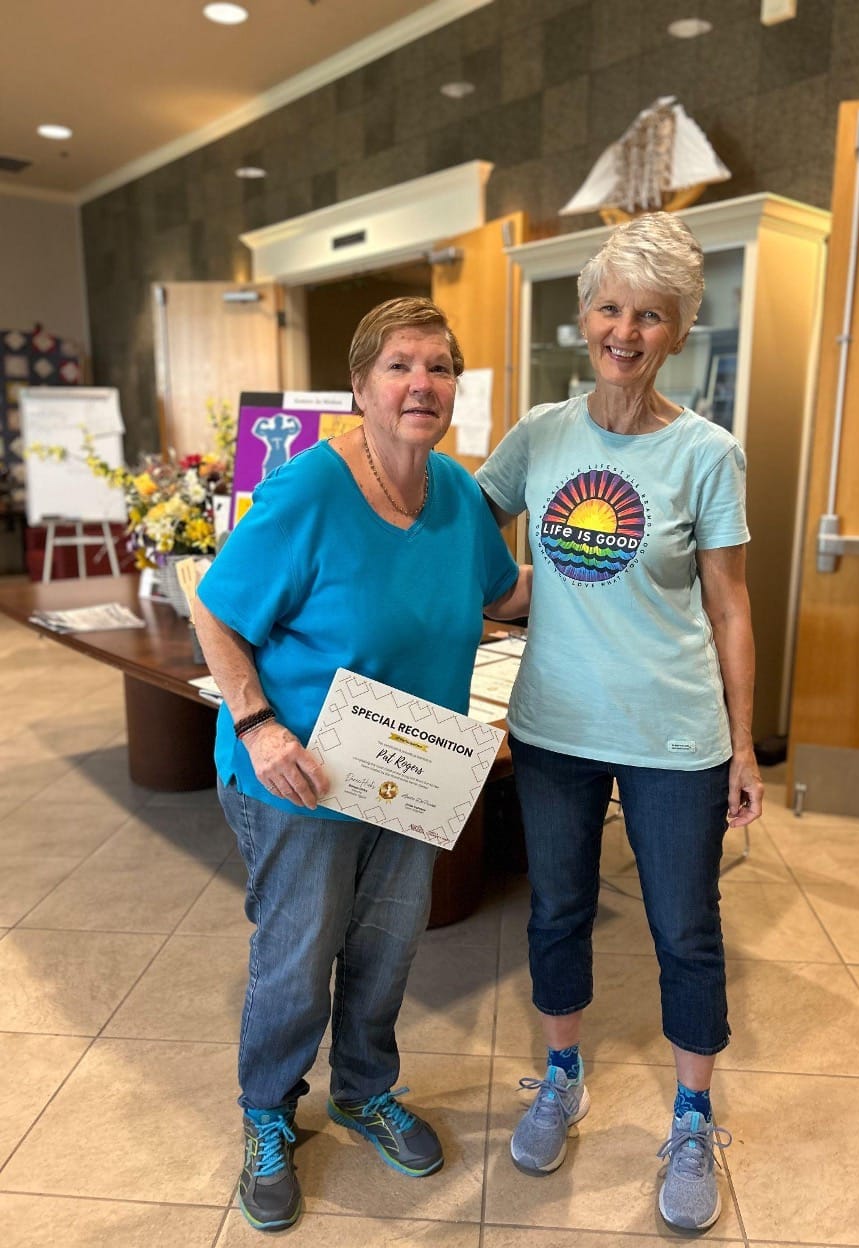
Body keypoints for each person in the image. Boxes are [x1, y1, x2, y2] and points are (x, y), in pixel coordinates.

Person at [193, 296, 529, 1234]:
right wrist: (259, 726)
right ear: (360, 387)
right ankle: (268, 1112)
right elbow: (216, 610)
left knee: (386, 947)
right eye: (399, 365)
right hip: (301, 772)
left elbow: (507, 596)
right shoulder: (308, 491)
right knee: (298, 956)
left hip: (409, 773)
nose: (421, 384)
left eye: (439, 367)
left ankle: (364, 1089)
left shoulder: (458, 493)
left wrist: (609, 572)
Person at [476, 213, 763, 1231]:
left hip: (674, 734)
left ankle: (692, 1115)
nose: (625, 330)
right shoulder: (539, 434)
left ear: (678, 329)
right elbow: (462, 537)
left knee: (684, 928)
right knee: (554, 910)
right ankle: (562, 1076)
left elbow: (729, 607)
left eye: (650, 314)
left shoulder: (707, 452)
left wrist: (742, 744)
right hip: (553, 726)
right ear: (583, 318)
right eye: (609, 307)